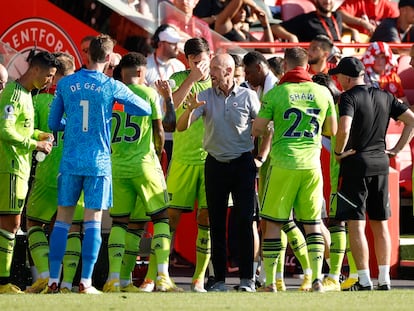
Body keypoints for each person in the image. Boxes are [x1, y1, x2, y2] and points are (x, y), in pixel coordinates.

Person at [46, 34, 151, 294]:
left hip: (70, 159)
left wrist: (71, 129)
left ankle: (52, 280)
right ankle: (86, 282)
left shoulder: (66, 83)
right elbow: (144, 108)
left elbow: (52, 124)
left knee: (62, 220)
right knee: (93, 220)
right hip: (98, 162)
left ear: (87, 54)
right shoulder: (110, 85)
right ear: (108, 58)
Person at [252, 47, 337, 292]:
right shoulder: (322, 92)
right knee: (312, 223)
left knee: (273, 222)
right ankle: (318, 279)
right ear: (308, 67)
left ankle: (271, 283)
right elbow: (331, 129)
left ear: (286, 67)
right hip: (311, 165)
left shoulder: (277, 93)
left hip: (283, 164)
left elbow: (257, 129)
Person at [177, 53, 260, 292]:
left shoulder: (248, 95)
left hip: (243, 164)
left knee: (244, 222)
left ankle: (247, 279)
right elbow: (181, 127)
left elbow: (265, 126)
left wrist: (261, 158)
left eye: (215, 67)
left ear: (229, 70)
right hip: (214, 164)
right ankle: (218, 280)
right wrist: (189, 110)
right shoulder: (203, 96)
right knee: (215, 224)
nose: (210, 72)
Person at [329, 56, 414, 291]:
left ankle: (364, 279)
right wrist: (396, 150)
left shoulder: (348, 97)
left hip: (356, 164)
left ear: (347, 78)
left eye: (339, 77)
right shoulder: (385, 95)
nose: (338, 81)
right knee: (380, 224)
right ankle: (384, 279)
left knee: (356, 225)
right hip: (380, 164)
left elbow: (344, 127)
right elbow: (411, 120)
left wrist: (339, 151)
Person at [103, 52, 179, 293]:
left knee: (121, 223)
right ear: (139, 72)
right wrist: (168, 99)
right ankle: (163, 276)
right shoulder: (147, 93)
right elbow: (165, 127)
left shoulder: (110, 94)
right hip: (144, 164)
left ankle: (116, 279)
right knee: (161, 218)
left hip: (117, 166)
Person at [243, 51, 313, 292]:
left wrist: (261, 156)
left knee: (278, 221)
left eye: (249, 72)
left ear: (261, 68)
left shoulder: (276, 91)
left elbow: (268, 129)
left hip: (278, 163)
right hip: (296, 163)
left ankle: (303, 274)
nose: (246, 77)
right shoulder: (267, 88)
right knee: (281, 222)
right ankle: (285, 276)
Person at [24, 52, 85, 294]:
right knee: (72, 228)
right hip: (76, 171)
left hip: (48, 173)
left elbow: (31, 131)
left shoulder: (39, 101)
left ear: (56, 75)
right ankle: (68, 284)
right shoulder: (83, 101)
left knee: (34, 223)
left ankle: (47, 278)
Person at [0, 51, 58, 294]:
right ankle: (3, 284)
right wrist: (35, 144)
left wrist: (38, 134)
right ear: (35, 70)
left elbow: (21, 127)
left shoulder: (26, 94)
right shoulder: (13, 93)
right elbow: (4, 130)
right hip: (11, 168)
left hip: (19, 168)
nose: (49, 81)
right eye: (48, 75)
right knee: (10, 225)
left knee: (10, 226)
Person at [166, 37, 212, 293]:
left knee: (205, 219)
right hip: (183, 160)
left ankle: (199, 279)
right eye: (194, 62)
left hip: (210, 161)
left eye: (203, 61)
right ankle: (159, 275)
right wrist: (192, 78)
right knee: (170, 218)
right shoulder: (180, 77)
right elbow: (170, 105)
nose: (200, 66)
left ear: (210, 55)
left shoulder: (217, 79)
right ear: (187, 60)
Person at [145, 24, 186, 164]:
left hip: (174, 134)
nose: (177, 47)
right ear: (161, 43)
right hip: (152, 132)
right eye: (172, 43)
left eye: (177, 43)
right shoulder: (146, 65)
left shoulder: (180, 66)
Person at [270, 0, 343, 42]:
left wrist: (353, 31)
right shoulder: (307, 19)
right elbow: (274, 27)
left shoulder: (337, 17)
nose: (327, 1)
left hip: (337, 58)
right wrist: (291, 37)